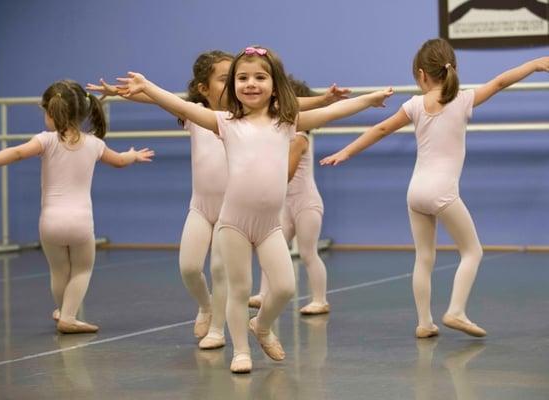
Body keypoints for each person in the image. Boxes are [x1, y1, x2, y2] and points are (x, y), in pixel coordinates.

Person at [116, 45, 391, 373]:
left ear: (275, 85)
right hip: (233, 223)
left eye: (260, 77)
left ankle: (261, 325)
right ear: (233, 85)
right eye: (242, 78)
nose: (251, 84)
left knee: (286, 287)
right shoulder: (225, 122)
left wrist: (369, 99)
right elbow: (181, 106)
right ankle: (241, 352)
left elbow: (332, 113)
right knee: (239, 289)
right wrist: (148, 87)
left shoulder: (287, 122)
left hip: (269, 226)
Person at [321, 38, 549, 338]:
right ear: (452, 68)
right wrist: (533, 64)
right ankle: (455, 310)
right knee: (472, 251)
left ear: (420, 74)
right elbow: (501, 81)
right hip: (442, 193)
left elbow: (381, 129)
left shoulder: (415, 105)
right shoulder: (464, 100)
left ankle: (424, 322)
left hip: (415, 192)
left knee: (424, 258)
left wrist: (346, 152)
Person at [0, 80, 154, 334]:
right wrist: (133, 155)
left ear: (50, 112)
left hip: (50, 222)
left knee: (59, 270)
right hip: (80, 223)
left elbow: (15, 153)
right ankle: (69, 316)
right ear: (83, 112)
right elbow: (119, 162)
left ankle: (63, 310)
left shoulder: (45, 141)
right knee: (82, 269)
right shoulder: (94, 144)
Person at [249, 76, 330, 315]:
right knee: (270, 248)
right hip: (286, 204)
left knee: (308, 252)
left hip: (306, 203)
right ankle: (264, 293)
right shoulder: (282, 136)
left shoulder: (300, 137)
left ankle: (320, 299)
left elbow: (287, 172)